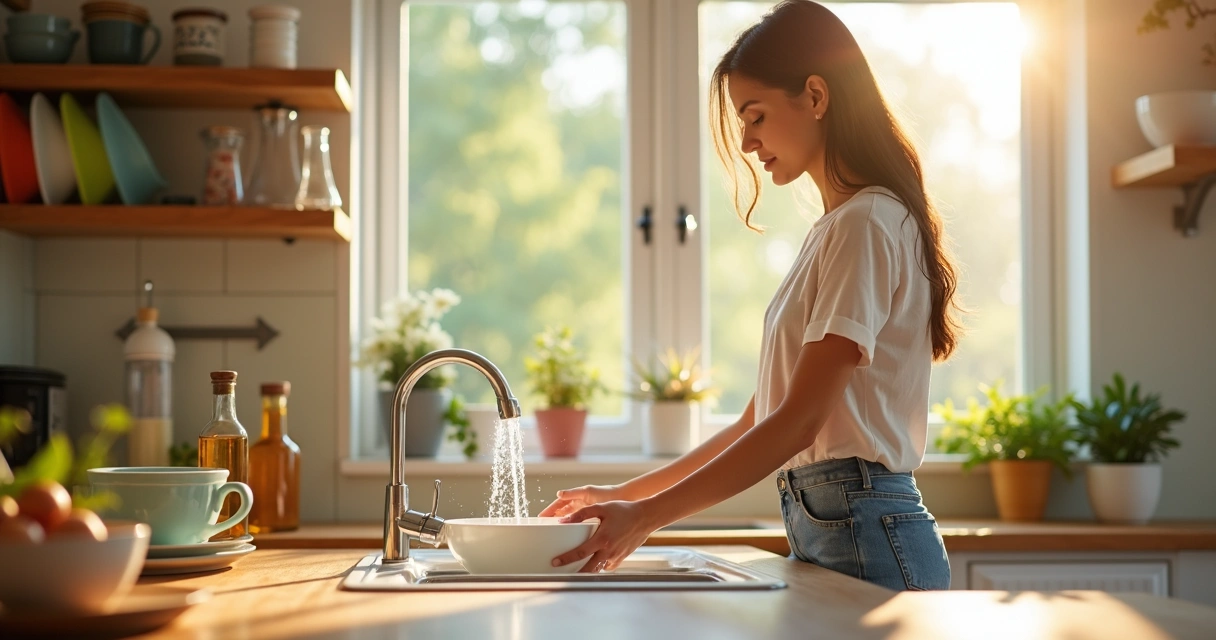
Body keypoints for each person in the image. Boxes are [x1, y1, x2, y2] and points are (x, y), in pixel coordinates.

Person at [540, 0, 960, 591]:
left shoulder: (864, 223)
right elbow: (758, 419)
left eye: (755, 116)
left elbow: (798, 423)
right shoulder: (839, 228)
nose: (745, 141)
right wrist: (627, 496)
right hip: (846, 526)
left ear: (816, 96)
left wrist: (647, 517)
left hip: (867, 529)